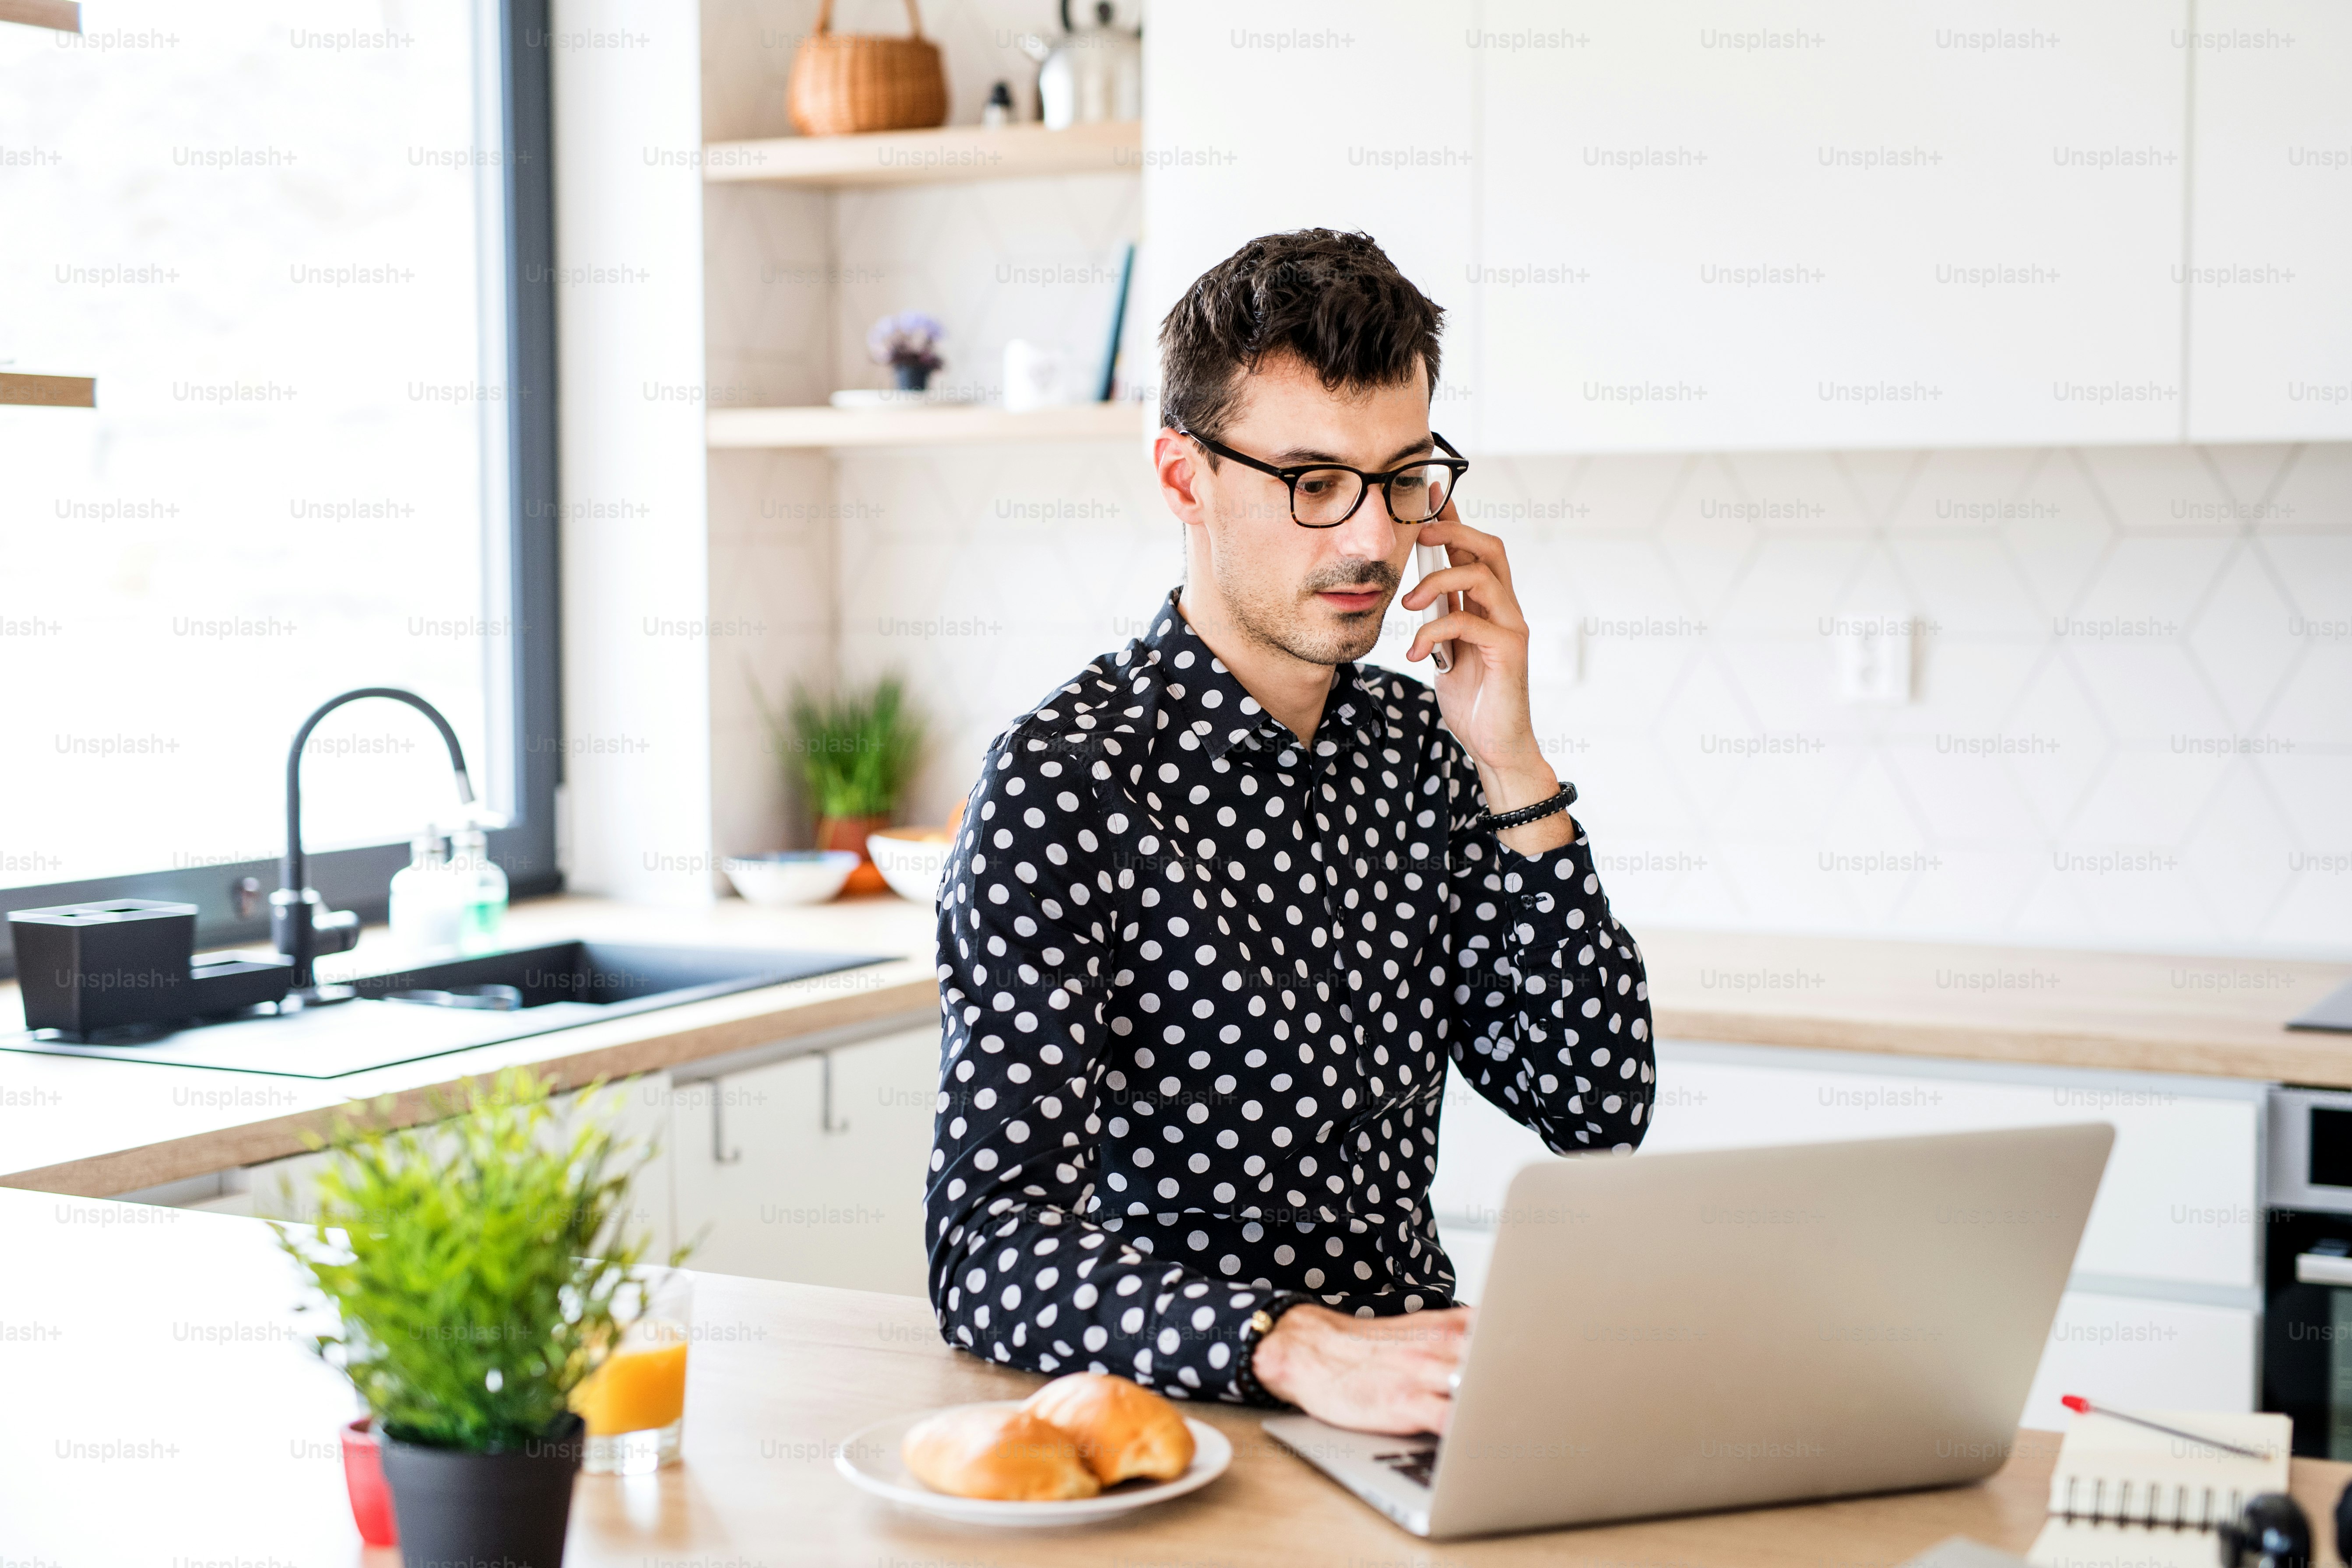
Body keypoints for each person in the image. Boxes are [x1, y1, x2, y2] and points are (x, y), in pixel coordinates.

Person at [924, 229, 1655, 1437]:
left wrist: (1514, 763)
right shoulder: (1066, 785)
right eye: (1314, 483)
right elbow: (986, 1253)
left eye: (1404, 477)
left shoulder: (1426, 750)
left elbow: (1596, 1103)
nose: (1374, 539)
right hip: (1167, 1427)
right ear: (1182, 479)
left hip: (1413, 1417)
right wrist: (1295, 1347)